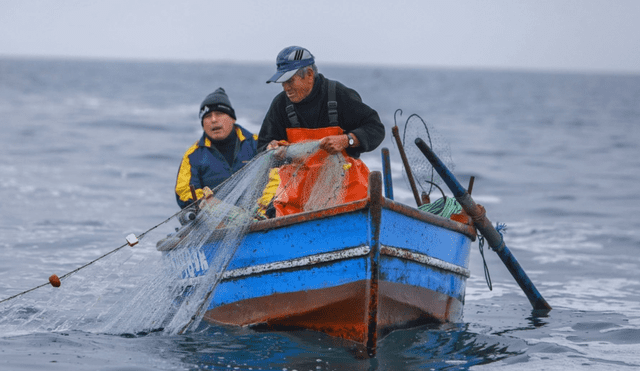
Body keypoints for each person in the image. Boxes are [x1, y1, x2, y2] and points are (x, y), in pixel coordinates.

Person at [257, 46, 385, 216]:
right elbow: (263, 146)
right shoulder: (280, 104)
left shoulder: (338, 94)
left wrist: (348, 140)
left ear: (309, 74)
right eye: (282, 82)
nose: (286, 88)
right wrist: (271, 148)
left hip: (345, 186)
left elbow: (375, 128)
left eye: (290, 81)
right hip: (297, 192)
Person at [175, 87, 258, 209]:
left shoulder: (257, 143)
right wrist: (206, 200)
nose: (213, 120)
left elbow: (276, 177)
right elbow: (183, 192)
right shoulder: (192, 156)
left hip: (259, 213)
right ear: (203, 124)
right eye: (208, 116)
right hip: (213, 219)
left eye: (219, 114)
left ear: (232, 118)